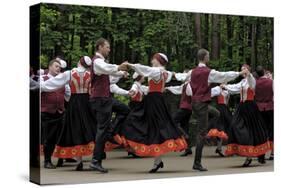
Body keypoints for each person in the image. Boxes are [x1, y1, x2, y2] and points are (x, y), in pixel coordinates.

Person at [175, 48, 247, 171]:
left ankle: (207, 131)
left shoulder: (192, 72)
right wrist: (239, 74)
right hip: (201, 104)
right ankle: (197, 163)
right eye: (208, 56)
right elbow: (223, 75)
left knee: (217, 113)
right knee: (201, 134)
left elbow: (182, 77)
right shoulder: (208, 72)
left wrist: (171, 74)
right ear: (205, 57)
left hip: (196, 103)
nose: (209, 57)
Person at [121, 53, 187, 173]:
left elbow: (144, 69)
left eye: (154, 59)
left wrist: (130, 65)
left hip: (154, 101)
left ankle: (157, 161)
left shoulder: (157, 71)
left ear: (159, 61)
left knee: (153, 127)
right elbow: (177, 76)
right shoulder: (165, 73)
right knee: (156, 128)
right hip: (156, 100)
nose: (152, 60)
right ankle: (157, 161)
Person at [41, 56, 97, 171]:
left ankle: (79, 160)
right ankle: (95, 157)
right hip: (87, 103)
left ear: (79, 62)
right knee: (88, 128)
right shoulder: (90, 74)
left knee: (75, 129)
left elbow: (56, 83)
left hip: (75, 103)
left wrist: (41, 86)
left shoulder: (70, 73)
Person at [89, 38, 129, 173]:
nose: (109, 49)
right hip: (100, 100)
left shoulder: (100, 62)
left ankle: (110, 132)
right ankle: (95, 161)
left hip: (103, 99)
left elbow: (110, 73)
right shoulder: (98, 61)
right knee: (101, 130)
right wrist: (119, 67)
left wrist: (121, 72)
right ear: (100, 47)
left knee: (122, 111)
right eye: (107, 47)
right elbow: (108, 68)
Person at [223, 64, 271, 167]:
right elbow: (234, 88)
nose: (242, 71)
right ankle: (243, 148)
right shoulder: (242, 82)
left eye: (244, 69)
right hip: (242, 108)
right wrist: (225, 86)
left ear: (248, 70)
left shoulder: (251, 79)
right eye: (241, 70)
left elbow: (252, 82)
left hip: (250, 107)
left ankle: (250, 156)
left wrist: (248, 74)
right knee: (234, 125)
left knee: (253, 130)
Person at [40, 59, 70, 169]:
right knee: (49, 137)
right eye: (56, 66)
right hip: (47, 112)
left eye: (59, 67)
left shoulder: (62, 81)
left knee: (61, 137)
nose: (59, 68)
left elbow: (68, 94)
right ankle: (47, 161)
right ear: (50, 67)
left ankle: (61, 159)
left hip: (60, 111)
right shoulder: (42, 79)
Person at [165, 80, 193, 157]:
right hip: (188, 109)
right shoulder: (185, 84)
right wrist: (168, 88)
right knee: (185, 126)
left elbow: (191, 93)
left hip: (185, 108)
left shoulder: (188, 84)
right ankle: (188, 149)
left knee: (173, 121)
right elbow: (177, 89)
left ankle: (184, 135)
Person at [207, 86, 232, 157]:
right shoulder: (219, 90)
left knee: (222, 128)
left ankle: (220, 148)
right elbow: (227, 102)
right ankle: (219, 148)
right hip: (223, 110)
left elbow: (227, 102)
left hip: (221, 109)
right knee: (221, 128)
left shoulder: (226, 91)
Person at [255, 66, 274, 160]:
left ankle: (261, 153)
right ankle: (272, 153)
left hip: (259, 109)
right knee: (272, 130)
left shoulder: (255, 83)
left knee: (261, 131)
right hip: (270, 108)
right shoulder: (271, 82)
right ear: (263, 72)